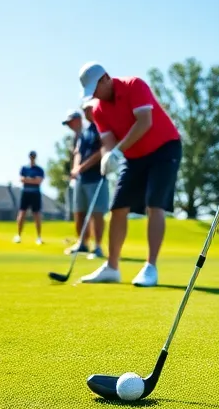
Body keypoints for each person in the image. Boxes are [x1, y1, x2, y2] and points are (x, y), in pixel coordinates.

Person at [77, 63, 182, 287]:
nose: (94, 96)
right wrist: (107, 158)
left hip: (165, 148)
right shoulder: (98, 110)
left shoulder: (134, 85)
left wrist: (116, 152)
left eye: (95, 89)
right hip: (134, 156)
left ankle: (150, 267)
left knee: (155, 204)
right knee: (118, 208)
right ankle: (112, 267)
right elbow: (108, 143)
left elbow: (144, 122)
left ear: (106, 78)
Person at [62, 109, 107, 259]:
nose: (86, 111)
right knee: (79, 212)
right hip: (81, 179)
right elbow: (78, 153)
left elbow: (103, 150)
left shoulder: (101, 128)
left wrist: (82, 167)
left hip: (96, 177)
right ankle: (82, 243)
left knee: (97, 212)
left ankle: (98, 247)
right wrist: (76, 168)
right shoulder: (84, 133)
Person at [15, 151, 44, 245]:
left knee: (37, 215)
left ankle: (39, 237)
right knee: (22, 213)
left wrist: (28, 179)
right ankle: (18, 235)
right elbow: (22, 179)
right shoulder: (24, 168)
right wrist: (32, 179)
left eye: (34, 156)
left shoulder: (39, 169)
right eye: (31, 156)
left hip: (35, 194)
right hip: (25, 193)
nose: (32, 158)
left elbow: (38, 181)